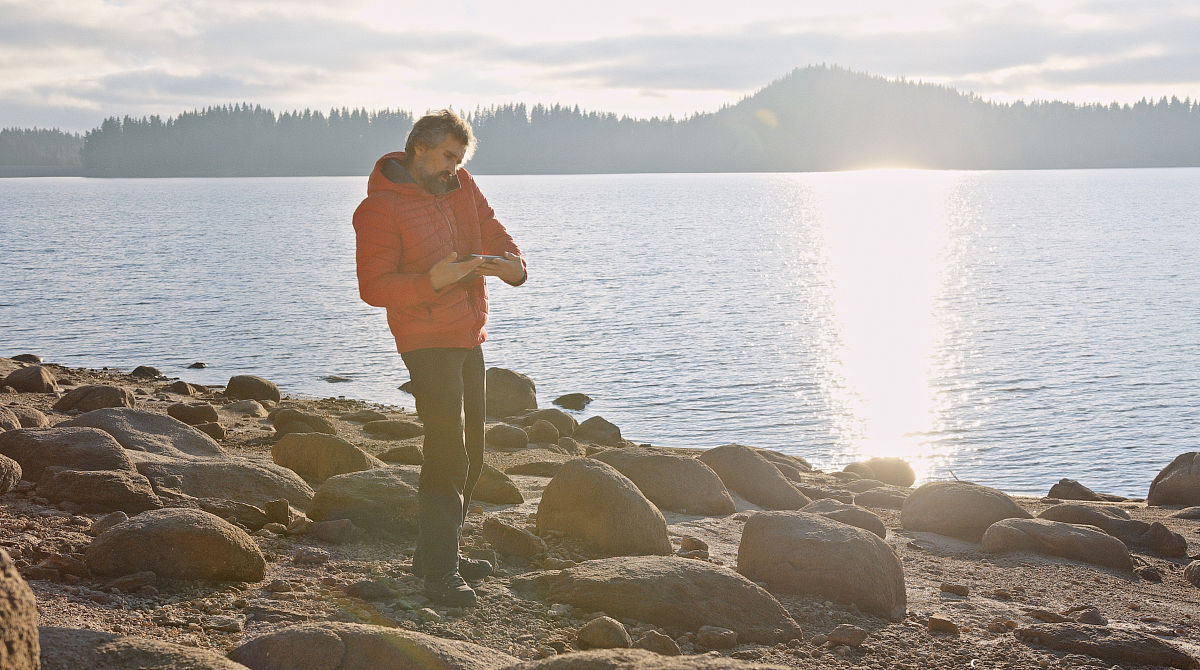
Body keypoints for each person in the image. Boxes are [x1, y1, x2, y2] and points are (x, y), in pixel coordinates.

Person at [353, 109, 526, 607]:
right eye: (449, 156)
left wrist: (512, 265)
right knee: (447, 450)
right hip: (424, 339)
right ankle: (440, 575)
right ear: (420, 149)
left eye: (461, 158)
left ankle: (435, 553)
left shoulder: (463, 185)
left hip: (469, 332)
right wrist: (434, 280)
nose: (455, 166)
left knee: (473, 450)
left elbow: (493, 231)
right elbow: (374, 287)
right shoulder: (379, 209)